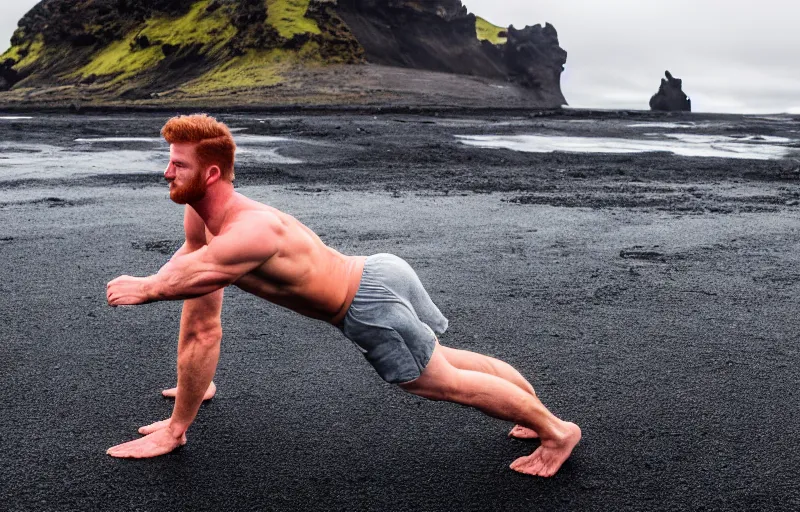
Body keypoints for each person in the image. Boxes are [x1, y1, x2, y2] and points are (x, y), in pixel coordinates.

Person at [104, 114, 580, 477]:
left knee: (437, 380)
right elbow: (197, 300)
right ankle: (531, 409)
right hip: (377, 270)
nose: (166, 172)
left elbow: (195, 274)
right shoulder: (205, 215)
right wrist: (192, 388)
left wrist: (145, 288)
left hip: (367, 304)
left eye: (177, 164)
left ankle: (557, 432)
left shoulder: (250, 232)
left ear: (210, 174)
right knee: (444, 357)